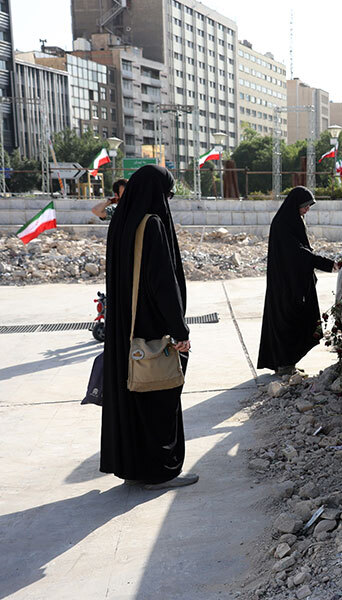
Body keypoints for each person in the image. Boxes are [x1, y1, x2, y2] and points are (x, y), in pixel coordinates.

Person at [101, 165, 197, 490]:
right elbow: (163, 285)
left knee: (133, 399)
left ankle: (135, 467)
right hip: (151, 330)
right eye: (167, 194)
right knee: (160, 398)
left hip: (123, 333)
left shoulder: (122, 222)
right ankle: (160, 472)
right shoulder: (152, 224)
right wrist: (180, 331)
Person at [257, 187, 341, 377]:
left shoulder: (292, 220)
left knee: (296, 320)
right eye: (305, 206)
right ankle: (284, 364)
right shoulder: (283, 224)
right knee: (287, 321)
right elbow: (298, 254)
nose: (307, 210)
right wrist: (327, 264)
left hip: (292, 282)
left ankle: (287, 363)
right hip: (285, 285)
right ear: (295, 205)